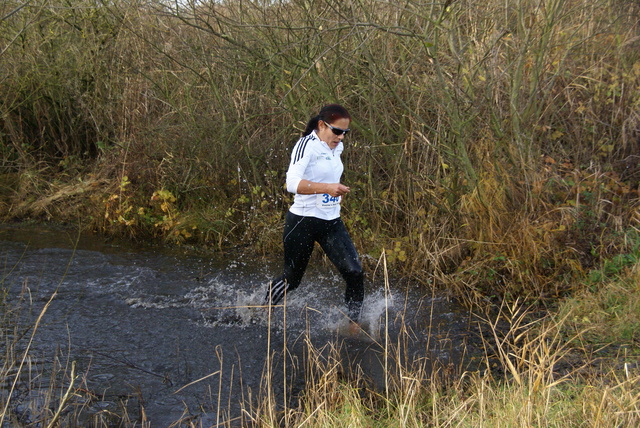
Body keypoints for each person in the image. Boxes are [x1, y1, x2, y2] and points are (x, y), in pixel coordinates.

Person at [264, 104, 364, 323]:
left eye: (345, 133)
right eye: (337, 131)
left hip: (331, 221)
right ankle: (261, 310)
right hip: (303, 222)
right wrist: (327, 188)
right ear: (322, 125)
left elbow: (328, 174)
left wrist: (335, 190)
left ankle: (354, 326)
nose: (341, 137)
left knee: (355, 273)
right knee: (292, 280)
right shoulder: (306, 145)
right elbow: (291, 183)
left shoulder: (336, 147)